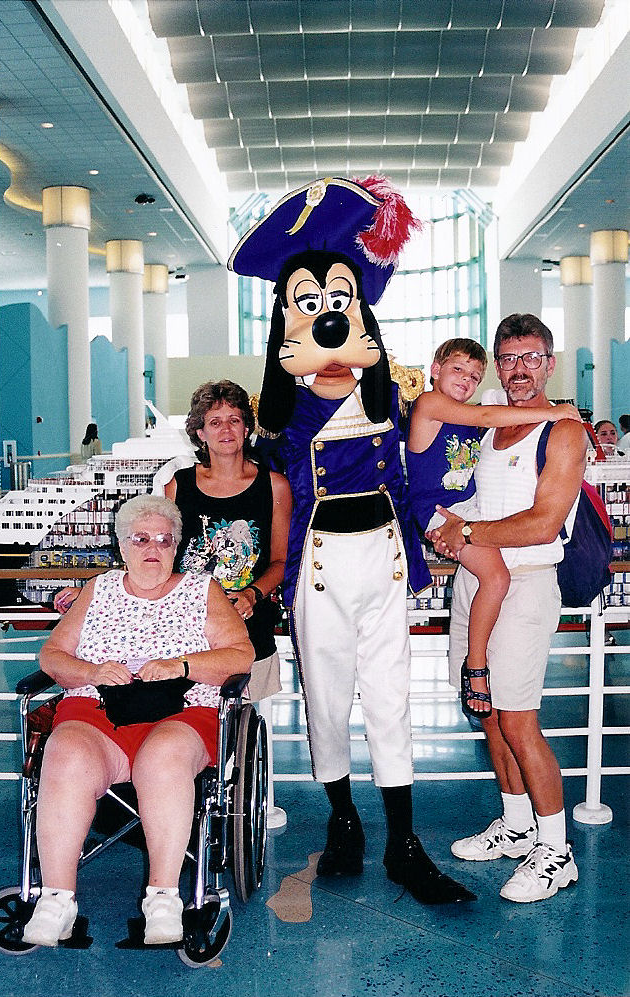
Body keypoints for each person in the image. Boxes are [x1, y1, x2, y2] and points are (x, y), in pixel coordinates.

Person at [231, 174, 474, 905]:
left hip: (384, 558)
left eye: (340, 304)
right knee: (326, 696)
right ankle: (344, 822)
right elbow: (253, 489)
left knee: (391, 699)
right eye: (309, 308)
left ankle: (404, 841)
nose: (331, 327)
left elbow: (435, 457)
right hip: (319, 568)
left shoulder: (394, 400)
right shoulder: (282, 419)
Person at [22, 494, 253, 946]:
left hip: (182, 710)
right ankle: (56, 901)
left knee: (163, 757)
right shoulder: (99, 589)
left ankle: (163, 899)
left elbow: (241, 654)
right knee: (65, 751)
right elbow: (52, 656)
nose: (153, 548)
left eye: (165, 540)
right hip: (98, 710)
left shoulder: (202, 590)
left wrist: (181, 665)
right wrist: (91, 672)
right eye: (141, 539)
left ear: (176, 547)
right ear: (122, 545)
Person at [427, 313, 587, 904]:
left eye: (531, 358)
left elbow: (544, 521)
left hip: (525, 585)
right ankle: (517, 825)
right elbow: (475, 499)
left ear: (549, 364)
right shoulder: (491, 428)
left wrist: (469, 533)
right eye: (509, 358)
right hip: (476, 581)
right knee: (490, 713)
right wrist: (448, 526)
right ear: (499, 365)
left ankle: (557, 852)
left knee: (519, 720)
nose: (519, 369)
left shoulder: (563, 432)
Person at [406, 338, 580, 717]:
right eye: (457, 370)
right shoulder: (429, 404)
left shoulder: (468, 418)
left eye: (474, 376)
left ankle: (480, 659)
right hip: (438, 509)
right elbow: (488, 417)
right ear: (435, 370)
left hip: (465, 511)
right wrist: (552, 413)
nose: (465, 380)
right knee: (497, 578)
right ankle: (477, 666)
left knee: (496, 576)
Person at [164, 380, 292, 705]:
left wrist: (252, 594)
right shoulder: (178, 486)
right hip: (187, 627)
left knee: (240, 718)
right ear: (200, 433)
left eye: (234, 420)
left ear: (246, 428)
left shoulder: (274, 486)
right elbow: (160, 559)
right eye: (215, 422)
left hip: (249, 623)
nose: (225, 429)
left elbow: (281, 561)